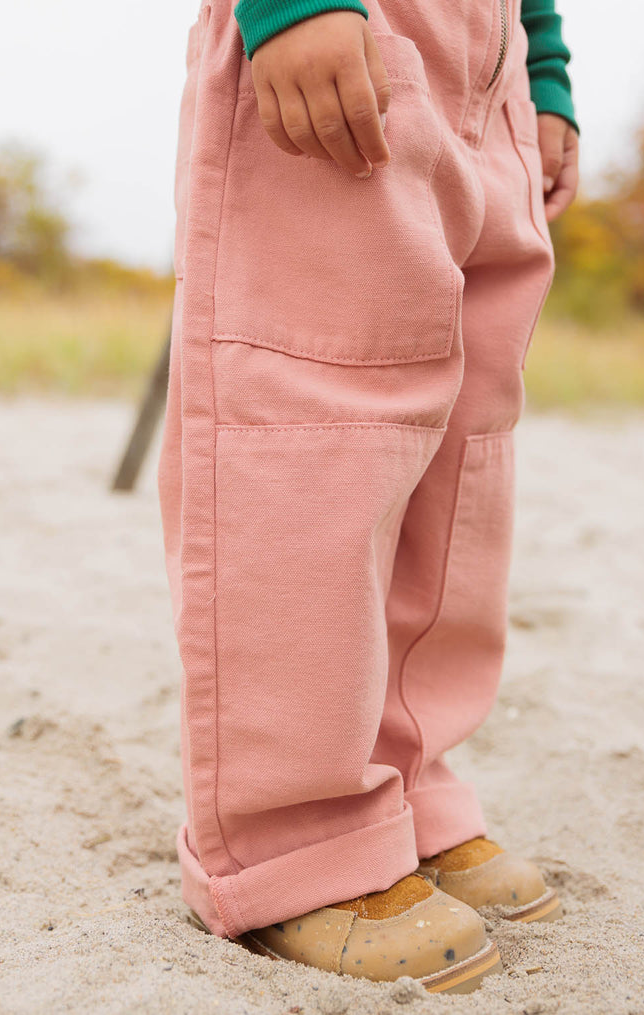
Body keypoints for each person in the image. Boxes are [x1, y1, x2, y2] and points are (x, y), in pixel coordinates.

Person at [157, 0, 579, 995]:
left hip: (491, 62)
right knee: (313, 432)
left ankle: (401, 789)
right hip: (341, 22)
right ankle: (294, 831)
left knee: (460, 441)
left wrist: (545, 68)